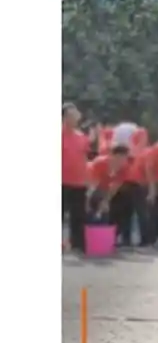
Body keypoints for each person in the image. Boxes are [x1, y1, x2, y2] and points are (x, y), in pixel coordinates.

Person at [62, 103, 91, 253]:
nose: (75, 118)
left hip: (79, 181)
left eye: (76, 115)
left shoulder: (81, 137)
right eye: (72, 115)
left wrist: (87, 177)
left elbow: (84, 157)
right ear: (64, 117)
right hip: (62, 180)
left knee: (78, 214)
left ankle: (77, 243)